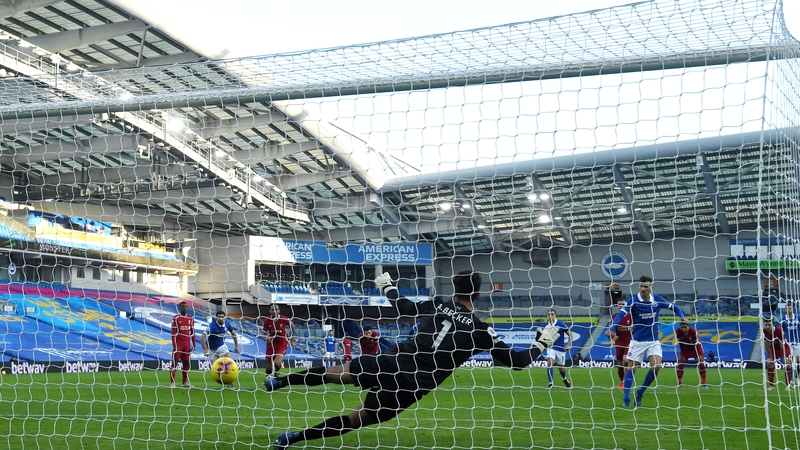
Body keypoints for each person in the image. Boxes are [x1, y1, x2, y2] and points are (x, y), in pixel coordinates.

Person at [264, 270, 560, 449]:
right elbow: (519, 361)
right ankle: (292, 438)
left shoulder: (440, 303)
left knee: (334, 373)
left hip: (393, 362)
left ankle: (280, 381)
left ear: (454, 289)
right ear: (479, 294)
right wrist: (540, 343)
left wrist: (387, 286)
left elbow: (403, 305)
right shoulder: (484, 332)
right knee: (354, 421)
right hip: (413, 386)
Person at [610, 275, 686, 407]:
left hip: (653, 340)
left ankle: (640, 392)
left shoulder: (657, 300)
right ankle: (626, 398)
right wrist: (612, 326)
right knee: (631, 368)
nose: (643, 288)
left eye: (646, 286)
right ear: (638, 287)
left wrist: (682, 316)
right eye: (641, 286)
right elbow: (621, 314)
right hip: (637, 340)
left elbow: (674, 307)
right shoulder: (633, 301)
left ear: (651, 287)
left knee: (656, 366)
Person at [200, 310, 241, 388]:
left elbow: (234, 334)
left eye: (222, 317)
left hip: (221, 346)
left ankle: (230, 383)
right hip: (212, 349)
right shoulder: (211, 326)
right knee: (218, 368)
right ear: (216, 318)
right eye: (219, 317)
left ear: (225, 317)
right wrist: (206, 350)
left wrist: (236, 346)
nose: (221, 319)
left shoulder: (227, 325)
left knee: (228, 361)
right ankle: (223, 380)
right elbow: (202, 337)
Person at [262, 304, 296, 381]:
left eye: (276, 310)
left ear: (279, 311)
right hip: (271, 343)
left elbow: (292, 326)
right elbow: (263, 335)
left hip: (282, 342)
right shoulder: (267, 320)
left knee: (277, 363)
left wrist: (292, 339)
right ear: (270, 311)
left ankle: (277, 374)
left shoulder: (284, 319)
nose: (274, 311)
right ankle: (268, 379)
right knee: (268, 366)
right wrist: (266, 338)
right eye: (272, 310)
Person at [605, 298, 632, 389]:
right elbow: (608, 332)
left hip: (629, 342)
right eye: (619, 304)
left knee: (626, 360)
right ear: (617, 306)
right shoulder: (613, 317)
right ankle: (621, 381)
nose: (621, 306)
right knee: (620, 365)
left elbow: (635, 329)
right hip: (619, 343)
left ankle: (626, 381)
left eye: (623, 304)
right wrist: (611, 335)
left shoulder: (631, 316)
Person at [544, 309, 573, 388]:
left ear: (555, 315)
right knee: (549, 363)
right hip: (551, 348)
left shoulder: (561, 324)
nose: (550, 316)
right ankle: (551, 382)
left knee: (561, 368)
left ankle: (564, 378)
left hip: (560, 349)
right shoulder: (546, 326)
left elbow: (571, 334)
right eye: (549, 314)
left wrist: (568, 344)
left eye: (552, 314)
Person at [675, 317, 707, 388]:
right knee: (680, 363)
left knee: (701, 363)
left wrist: (700, 354)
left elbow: (697, 344)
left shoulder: (693, 332)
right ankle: (679, 382)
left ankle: (704, 382)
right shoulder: (678, 332)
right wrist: (682, 353)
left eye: (685, 327)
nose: (683, 329)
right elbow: (681, 344)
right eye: (682, 327)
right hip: (685, 349)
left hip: (695, 349)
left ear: (688, 327)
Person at [169, 301, 195, 388]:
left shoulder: (191, 319)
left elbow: (193, 333)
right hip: (178, 344)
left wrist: (194, 345)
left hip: (187, 345)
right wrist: (174, 345)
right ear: (180, 308)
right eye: (183, 306)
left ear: (187, 308)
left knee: (186, 363)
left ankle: (184, 382)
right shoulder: (175, 318)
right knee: (174, 363)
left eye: (186, 306)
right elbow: (173, 333)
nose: (184, 308)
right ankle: (172, 383)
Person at [763, 317, 793, 390]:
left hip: (784, 347)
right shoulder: (764, 331)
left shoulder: (779, 331)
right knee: (769, 362)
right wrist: (771, 356)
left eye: (769, 325)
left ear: (773, 324)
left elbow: (781, 345)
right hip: (773, 347)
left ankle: (788, 385)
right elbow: (766, 344)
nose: (767, 327)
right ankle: (771, 386)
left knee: (787, 363)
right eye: (766, 325)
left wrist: (783, 357)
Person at [780, 301, 800, 387]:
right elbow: (781, 331)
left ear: (792, 308)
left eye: (789, 308)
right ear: (785, 309)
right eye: (786, 308)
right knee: (790, 362)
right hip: (788, 343)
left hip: (798, 342)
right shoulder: (783, 319)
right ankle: (790, 379)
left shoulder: (798, 317)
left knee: (799, 361)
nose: (788, 310)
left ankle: (797, 378)